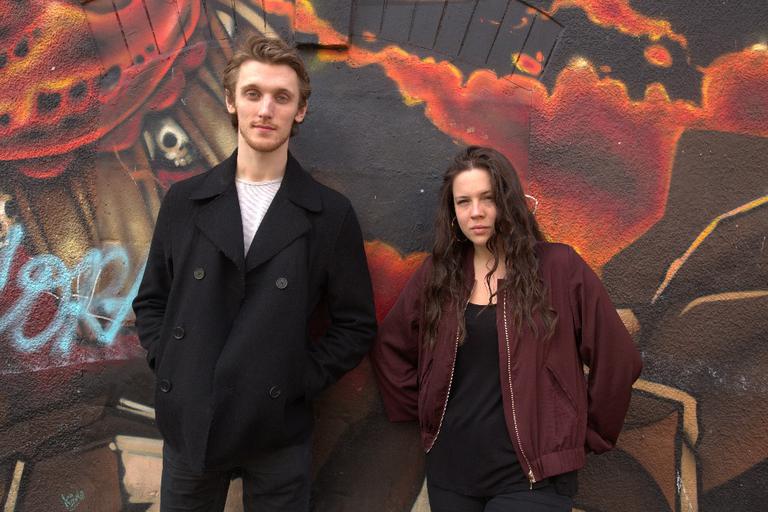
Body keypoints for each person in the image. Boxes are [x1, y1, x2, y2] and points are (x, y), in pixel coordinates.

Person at [132, 34, 377, 511]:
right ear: (231, 101)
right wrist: (175, 363)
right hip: (192, 419)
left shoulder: (329, 214)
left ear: (300, 110)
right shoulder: (185, 201)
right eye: (253, 93)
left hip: (276, 426)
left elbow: (356, 324)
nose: (266, 109)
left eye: (281, 97)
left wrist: (297, 379)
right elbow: (152, 299)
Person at [371, 146, 642, 511]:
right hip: (451, 473)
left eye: (487, 198)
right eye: (463, 202)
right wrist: (425, 411)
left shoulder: (559, 268)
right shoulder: (439, 275)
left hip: (531, 478)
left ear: (508, 201)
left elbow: (618, 359)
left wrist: (585, 434)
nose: (476, 212)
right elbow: (391, 346)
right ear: (453, 212)